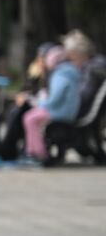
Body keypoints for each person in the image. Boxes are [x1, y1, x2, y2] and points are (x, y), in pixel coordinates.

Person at [22, 32, 91, 164]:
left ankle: (38, 152)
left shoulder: (61, 74)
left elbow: (55, 98)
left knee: (30, 119)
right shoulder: (69, 72)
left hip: (60, 112)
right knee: (30, 117)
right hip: (64, 110)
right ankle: (31, 150)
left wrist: (41, 103)